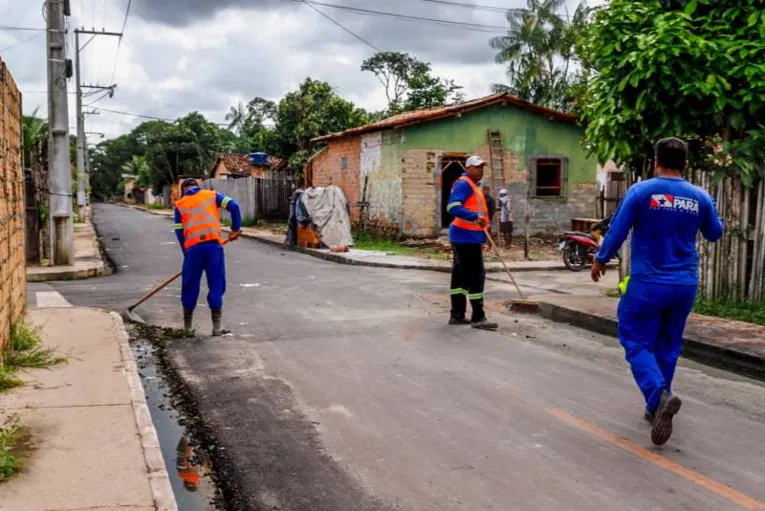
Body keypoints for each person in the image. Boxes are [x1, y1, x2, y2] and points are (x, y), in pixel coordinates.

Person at [591, 138, 723, 446]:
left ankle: (658, 394)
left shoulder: (641, 191)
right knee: (668, 344)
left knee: (635, 339)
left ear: (655, 161)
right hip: (685, 285)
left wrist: (600, 260)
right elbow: (715, 233)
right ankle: (656, 407)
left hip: (648, 283)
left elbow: (617, 232)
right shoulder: (700, 196)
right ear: (685, 164)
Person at [174, 179, 242, 336]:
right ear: (198, 187)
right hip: (213, 248)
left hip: (192, 250)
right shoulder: (212, 195)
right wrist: (235, 229)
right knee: (216, 284)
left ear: (183, 189)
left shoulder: (180, 205)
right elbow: (234, 206)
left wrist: (187, 253)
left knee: (190, 285)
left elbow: (179, 231)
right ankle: (217, 328)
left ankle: (187, 328)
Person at [445, 156, 498, 331]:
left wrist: (485, 232)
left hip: (469, 237)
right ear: (468, 168)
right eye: (476, 167)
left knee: (460, 277)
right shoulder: (464, 184)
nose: (480, 170)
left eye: (482, 166)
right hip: (465, 237)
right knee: (477, 276)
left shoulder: (473, 185)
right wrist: (475, 217)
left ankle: (457, 315)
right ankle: (478, 317)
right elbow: (452, 207)